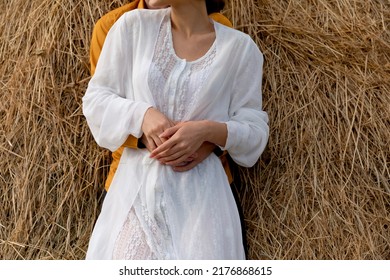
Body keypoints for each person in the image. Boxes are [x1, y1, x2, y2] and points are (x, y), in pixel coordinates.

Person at [83, 0, 269, 259]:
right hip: (135, 194)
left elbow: (254, 131)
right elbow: (95, 101)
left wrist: (207, 132)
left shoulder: (239, 48)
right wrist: (142, 115)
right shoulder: (130, 27)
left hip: (203, 204)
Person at [90, 0, 233, 192]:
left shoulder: (220, 28)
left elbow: (232, 107)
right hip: (133, 180)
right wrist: (143, 123)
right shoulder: (114, 25)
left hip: (208, 181)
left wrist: (207, 142)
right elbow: (101, 107)